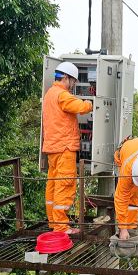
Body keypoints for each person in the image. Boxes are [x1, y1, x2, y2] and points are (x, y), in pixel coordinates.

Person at [42, 61, 93, 234]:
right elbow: (81, 107)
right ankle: (61, 227)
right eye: (73, 81)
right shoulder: (62, 95)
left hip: (53, 148)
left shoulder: (50, 93)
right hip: (64, 148)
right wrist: (91, 102)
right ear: (66, 78)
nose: (74, 85)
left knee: (53, 185)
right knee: (65, 185)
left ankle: (54, 223)